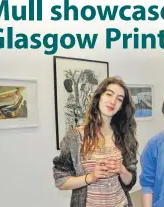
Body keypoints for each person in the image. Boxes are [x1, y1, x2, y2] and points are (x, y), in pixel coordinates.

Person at [52, 77, 139, 207]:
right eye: (109, 94)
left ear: (121, 106)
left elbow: (130, 181)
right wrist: (91, 177)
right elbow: (61, 180)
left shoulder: (124, 136)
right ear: (99, 97)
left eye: (119, 99)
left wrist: (122, 170)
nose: (113, 101)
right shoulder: (75, 137)